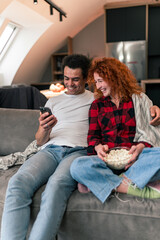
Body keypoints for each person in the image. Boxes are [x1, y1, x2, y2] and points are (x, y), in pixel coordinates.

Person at [1, 55, 160, 240]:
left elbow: (146, 121)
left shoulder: (111, 98)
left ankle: (120, 182)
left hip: (97, 153)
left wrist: (152, 114)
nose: (70, 84)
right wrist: (45, 128)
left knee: (57, 185)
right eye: (66, 79)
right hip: (67, 152)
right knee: (23, 182)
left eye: (76, 79)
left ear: (87, 79)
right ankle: (128, 184)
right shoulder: (65, 102)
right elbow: (44, 140)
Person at [70, 57, 160, 204]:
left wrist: (141, 147)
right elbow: (93, 138)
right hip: (108, 162)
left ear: (113, 77)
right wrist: (98, 147)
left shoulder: (139, 100)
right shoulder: (97, 106)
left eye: (100, 81)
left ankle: (106, 183)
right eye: (96, 82)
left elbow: (151, 134)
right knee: (77, 166)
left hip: (135, 161)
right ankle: (130, 186)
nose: (97, 86)